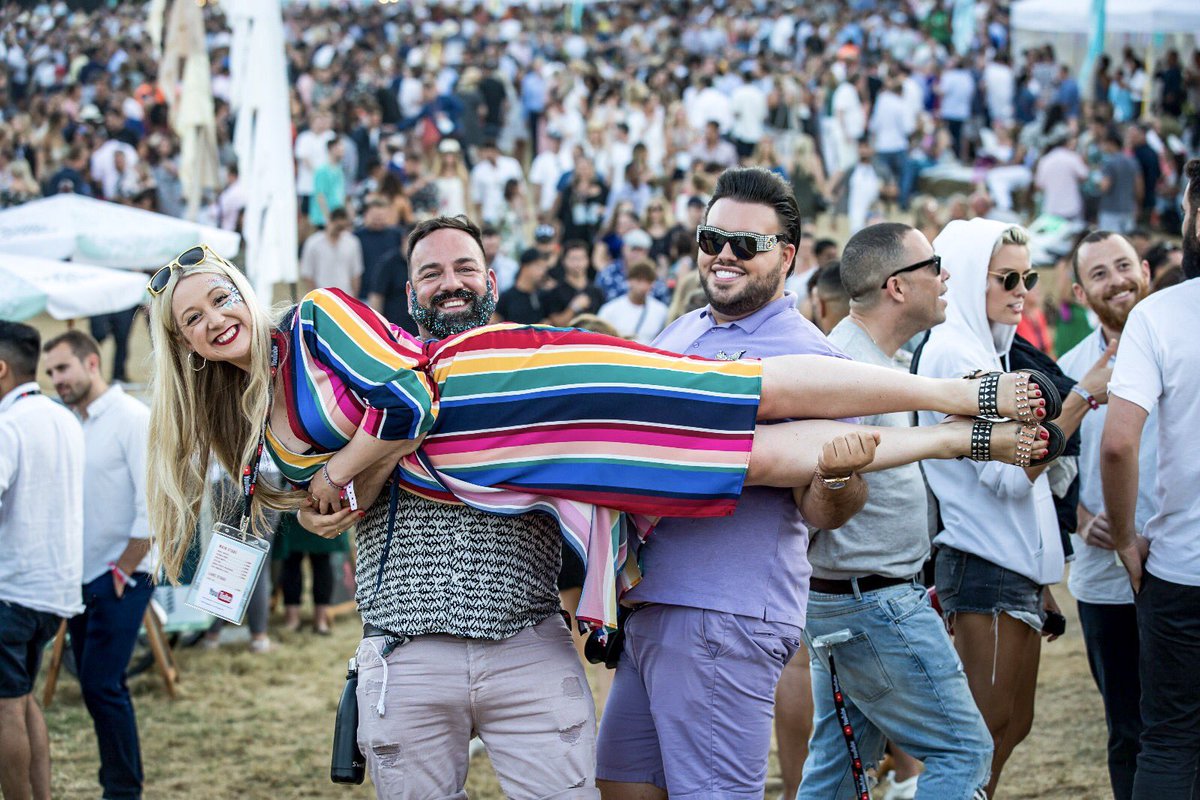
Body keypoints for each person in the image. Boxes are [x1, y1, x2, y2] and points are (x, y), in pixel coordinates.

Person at [144, 217, 1057, 637]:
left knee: (738, 394)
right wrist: (337, 495)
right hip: (512, 467)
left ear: (240, 286)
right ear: (183, 345)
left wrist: (340, 475)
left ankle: (958, 400)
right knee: (748, 464)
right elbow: (337, 494)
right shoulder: (252, 443)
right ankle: (958, 438)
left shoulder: (314, 319)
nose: (218, 317)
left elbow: (405, 408)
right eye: (196, 317)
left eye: (221, 294)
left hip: (517, 388)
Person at [591, 170, 1053, 799]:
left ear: (786, 256)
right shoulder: (685, 330)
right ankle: (959, 424)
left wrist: (836, 479)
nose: (724, 253)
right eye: (712, 237)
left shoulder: (808, 351)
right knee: (627, 787)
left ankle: (960, 419)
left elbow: (828, 507)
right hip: (653, 611)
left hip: (721, 613)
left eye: (746, 244)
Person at [799, 222, 993, 799]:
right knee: (965, 753)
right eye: (933, 264)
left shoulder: (874, 361)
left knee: (837, 774)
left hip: (855, 602)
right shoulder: (849, 371)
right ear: (897, 287)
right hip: (873, 604)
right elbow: (824, 493)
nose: (946, 275)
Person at [915, 218, 1107, 797]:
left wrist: (1042, 572)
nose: (1022, 290)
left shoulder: (986, 352)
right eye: (1007, 278)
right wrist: (1078, 400)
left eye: (1029, 276)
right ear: (971, 280)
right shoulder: (953, 353)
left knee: (1008, 728)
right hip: (981, 565)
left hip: (1006, 566)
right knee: (980, 739)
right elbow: (1006, 474)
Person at [1102, 158, 1200, 797]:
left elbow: (1116, 446)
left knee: (1169, 738)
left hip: (1181, 567)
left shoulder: (1161, 315)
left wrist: (1125, 537)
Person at [1061, 231, 1164, 800]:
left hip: (1179, 566)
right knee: (1126, 729)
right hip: (1104, 580)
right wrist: (1080, 517)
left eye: (1123, 265)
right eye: (1099, 273)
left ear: (1145, 269)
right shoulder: (1068, 372)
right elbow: (1051, 469)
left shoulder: (1183, 347)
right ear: (1080, 292)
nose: (1116, 280)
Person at [40, 331, 153, 800]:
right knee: (94, 687)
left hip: (123, 574)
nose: (55, 380)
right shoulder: (70, 423)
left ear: (91, 363)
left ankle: (123, 789)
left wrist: (121, 573)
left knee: (103, 685)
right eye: (49, 373)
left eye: (62, 369)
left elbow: (153, 506)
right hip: (82, 576)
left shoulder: (132, 418)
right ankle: (117, 782)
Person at [0, 321, 84, 800]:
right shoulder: (61, 418)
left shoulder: (8, 426)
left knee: (6, 710)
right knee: (22, 701)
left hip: (11, 589)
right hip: (53, 592)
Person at [596, 259, 669, 344]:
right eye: (639, 280)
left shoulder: (662, 311)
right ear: (629, 281)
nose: (643, 286)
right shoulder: (610, 309)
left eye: (648, 281)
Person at [298, 207, 363, 296]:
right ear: (330, 222)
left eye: (342, 227)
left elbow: (356, 273)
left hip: (346, 296)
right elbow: (307, 274)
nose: (339, 230)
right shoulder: (313, 243)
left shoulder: (352, 242)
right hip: (321, 297)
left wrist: (354, 297)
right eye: (337, 226)